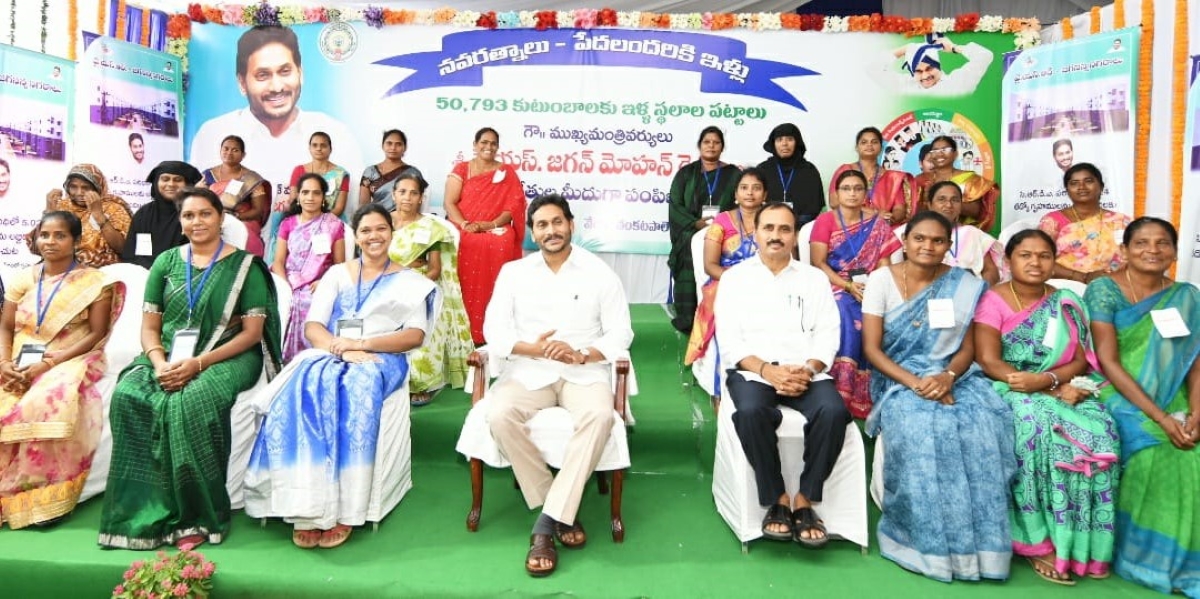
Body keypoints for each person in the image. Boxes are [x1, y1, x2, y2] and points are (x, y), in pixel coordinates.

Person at [245, 203, 437, 550]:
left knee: (355, 386)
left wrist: (362, 344)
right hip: (332, 351)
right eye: (366, 230)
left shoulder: (411, 282)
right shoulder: (337, 275)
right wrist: (341, 348)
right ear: (356, 235)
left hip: (382, 356)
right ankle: (306, 503)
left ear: (391, 232)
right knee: (301, 383)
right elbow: (313, 326)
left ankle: (346, 506)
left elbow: (414, 336)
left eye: (381, 229)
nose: (374, 236)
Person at [99, 188, 281, 550]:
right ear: (180, 222)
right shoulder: (166, 263)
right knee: (127, 396)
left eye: (205, 214)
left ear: (220, 219)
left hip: (228, 356)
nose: (196, 222)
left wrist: (198, 363)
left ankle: (197, 517)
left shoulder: (245, 266)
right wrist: (159, 362)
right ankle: (140, 513)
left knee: (190, 402)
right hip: (165, 354)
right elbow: (150, 327)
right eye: (188, 216)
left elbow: (251, 334)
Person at [484, 194, 633, 577]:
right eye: (542, 225)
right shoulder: (514, 273)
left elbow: (622, 332)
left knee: (600, 417)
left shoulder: (600, 273)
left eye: (557, 222)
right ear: (533, 232)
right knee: (499, 414)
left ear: (571, 224)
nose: (550, 231)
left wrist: (582, 353)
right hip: (529, 369)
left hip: (582, 372)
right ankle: (559, 508)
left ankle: (545, 524)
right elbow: (493, 331)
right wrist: (530, 347)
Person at [862, 211, 1015, 583]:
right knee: (921, 428)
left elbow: (968, 349)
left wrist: (946, 377)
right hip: (896, 377)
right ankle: (921, 540)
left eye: (937, 241)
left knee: (980, 425)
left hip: (955, 375)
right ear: (905, 242)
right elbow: (873, 350)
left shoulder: (964, 283)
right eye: (919, 239)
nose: (927, 247)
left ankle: (978, 549)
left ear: (949, 246)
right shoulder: (881, 280)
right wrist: (916, 383)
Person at [975, 229, 1119, 585]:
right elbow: (989, 359)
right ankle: (1037, 542)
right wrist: (1030, 383)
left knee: (1103, 434)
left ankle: (1083, 545)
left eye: (1043, 255)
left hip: (1059, 385)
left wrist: (1050, 382)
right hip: (1009, 386)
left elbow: (1082, 358)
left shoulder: (1066, 299)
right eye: (1025, 255)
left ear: (1054, 261)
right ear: (1008, 261)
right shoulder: (993, 300)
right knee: (1036, 429)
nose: (1035, 263)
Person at [715, 201, 849, 547]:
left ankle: (805, 498)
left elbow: (828, 334)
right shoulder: (734, 279)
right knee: (750, 412)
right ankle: (777, 498)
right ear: (755, 233)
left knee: (834, 412)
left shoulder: (814, 279)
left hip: (805, 372)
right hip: (754, 371)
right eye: (769, 228)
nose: (776, 236)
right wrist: (767, 371)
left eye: (785, 229)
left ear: (795, 236)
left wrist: (807, 369)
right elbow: (729, 340)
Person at [1085, 217, 1200, 597]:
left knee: (1194, 449)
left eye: (1162, 243)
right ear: (1124, 250)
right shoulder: (1104, 290)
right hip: (1120, 392)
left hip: (1177, 395)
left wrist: (1196, 411)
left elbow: (1195, 363)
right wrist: (1161, 417)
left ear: (1173, 250)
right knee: (1159, 448)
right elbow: (1108, 360)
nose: (1153, 250)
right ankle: (1145, 557)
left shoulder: (1187, 295)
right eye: (1142, 243)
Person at [0, 211, 124, 528]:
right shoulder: (22, 279)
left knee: (45, 401)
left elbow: (96, 334)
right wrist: (4, 363)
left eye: (60, 235)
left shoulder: (96, 282)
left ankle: (41, 500)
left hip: (73, 354)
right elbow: (6, 327)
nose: (50, 242)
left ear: (76, 241)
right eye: (45, 235)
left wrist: (48, 363)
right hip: (19, 356)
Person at [189, 25, 363, 207]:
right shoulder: (212, 132)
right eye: (263, 75)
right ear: (242, 82)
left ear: (300, 73)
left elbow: (351, 208)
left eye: (285, 71)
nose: (277, 87)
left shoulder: (337, 132)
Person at [810, 170, 902, 418]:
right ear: (837, 194)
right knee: (845, 310)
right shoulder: (825, 221)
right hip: (834, 283)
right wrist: (848, 285)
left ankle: (873, 390)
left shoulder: (877, 223)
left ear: (866, 193)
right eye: (846, 189)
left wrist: (875, 288)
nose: (852, 193)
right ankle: (842, 387)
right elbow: (818, 263)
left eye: (857, 188)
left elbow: (885, 264)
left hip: (871, 284)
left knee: (883, 311)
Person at [388, 173, 473, 406]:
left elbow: (435, 269)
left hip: (419, 286)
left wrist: (413, 290)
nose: (407, 197)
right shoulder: (381, 222)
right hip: (383, 286)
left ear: (420, 198)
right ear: (393, 194)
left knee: (420, 325)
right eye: (402, 192)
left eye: (413, 193)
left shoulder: (432, 228)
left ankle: (420, 383)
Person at [444, 127, 527, 344]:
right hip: (465, 225)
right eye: (484, 142)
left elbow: (514, 206)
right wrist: (465, 224)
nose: (488, 147)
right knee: (462, 240)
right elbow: (449, 203)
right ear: (475, 144)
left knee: (505, 240)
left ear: (497, 147)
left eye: (493, 143)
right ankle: (461, 329)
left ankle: (496, 327)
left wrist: (490, 224)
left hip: (493, 226)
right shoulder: (462, 168)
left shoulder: (507, 171)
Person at [683, 169, 766, 370]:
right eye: (744, 188)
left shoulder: (772, 220)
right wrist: (738, 280)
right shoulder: (721, 221)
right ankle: (722, 376)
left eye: (756, 188)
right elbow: (710, 265)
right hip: (727, 281)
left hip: (766, 279)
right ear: (736, 195)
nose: (750, 193)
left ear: (765, 195)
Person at [667, 126, 741, 334]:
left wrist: (723, 224)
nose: (711, 146)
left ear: (722, 147)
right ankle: (689, 319)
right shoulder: (685, 174)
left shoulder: (733, 174)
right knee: (690, 251)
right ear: (700, 146)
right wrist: (694, 224)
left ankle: (719, 317)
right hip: (691, 232)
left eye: (716, 142)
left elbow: (741, 203)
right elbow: (675, 205)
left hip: (726, 234)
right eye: (707, 142)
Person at [271, 173, 346, 362]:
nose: (310, 197)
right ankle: (282, 360)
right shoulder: (287, 224)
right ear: (298, 196)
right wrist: (285, 285)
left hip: (319, 283)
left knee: (307, 301)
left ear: (323, 198)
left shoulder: (333, 225)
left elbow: (340, 265)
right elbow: (278, 261)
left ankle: (310, 359)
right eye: (305, 192)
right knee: (284, 300)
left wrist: (324, 281)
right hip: (288, 280)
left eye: (316, 193)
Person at [1039, 163, 1132, 285]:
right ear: (1067, 190)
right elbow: (1040, 259)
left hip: (1114, 286)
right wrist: (1083, 277)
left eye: (1088, 181)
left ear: (1101, 186)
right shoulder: (1051, 222)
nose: (1081, 187)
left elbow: (1136, 258)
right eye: (1074, 183)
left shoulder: (1120, 221)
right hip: (1066, 286)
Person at [264, 131, 350, 259]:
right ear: (309, 148)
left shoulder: (341, 173)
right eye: (314, 145)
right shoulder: (299, 170)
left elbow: (339, 207)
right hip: (302, 211)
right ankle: (272, 258)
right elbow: (294, 198)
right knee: (278, 215)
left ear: (330, 149)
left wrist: (319, 221)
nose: (319, 148)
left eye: (323, 145)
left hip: (329, 214)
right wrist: (307, 216)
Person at [32, 164, 132, 268]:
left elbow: (124, 249)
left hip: (103, 273)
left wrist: (99, 216)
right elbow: (36, 248)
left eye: (86, 188)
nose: (79, 193)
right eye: (73, 187)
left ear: (97, 188)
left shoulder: (113, 208)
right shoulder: (62, 206)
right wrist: (49, 212)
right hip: (61, 271)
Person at [121, 161, 203, 270]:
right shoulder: (144, 214)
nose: (171, 184)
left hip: (182, 276)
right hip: (144, 275)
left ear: (188, 184)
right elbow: (131, 254)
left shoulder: (194, 214)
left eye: (178, 180)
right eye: (165, 179)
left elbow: (199, 256)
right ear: (156, 182)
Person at [199, 135, 270, 257]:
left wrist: (234, 217)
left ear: (243, 155)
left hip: (242, 220)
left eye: (235, 150)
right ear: (220, 151)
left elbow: (258, 211)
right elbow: (198, 202)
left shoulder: (252, 179)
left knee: (244, 236)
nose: (229, 153)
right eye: (225, 149)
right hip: (212, 220)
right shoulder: (207, 175)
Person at [913, 135, 1000, 231]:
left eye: (945, 150)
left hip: (962, 235)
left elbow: (976, 212)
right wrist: (925, 199)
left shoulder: (970, 179)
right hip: (930, 232)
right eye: (935, 151)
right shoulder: (921, 180)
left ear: (955, 154)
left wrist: (943, 200)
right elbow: (915, 214)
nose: (940, 154)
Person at [828, 127, 912, 224]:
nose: (869, 145)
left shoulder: (893, 178)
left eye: (874, 142)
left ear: (881, 147)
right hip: (849, 225)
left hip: (882, 227)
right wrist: (874, 214)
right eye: (864, 142)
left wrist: (890, 219)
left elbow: (899, 208)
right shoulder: (845, 170)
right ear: (857, 147)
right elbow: (834, 202)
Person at [925, 181, 1003, 285]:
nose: (948, 205)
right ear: (930, 205)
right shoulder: (916, 234)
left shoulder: (972, 233)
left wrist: (978, 293)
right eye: (941, 199)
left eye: (955, 200)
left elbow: (990, 271)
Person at [756, 123, 824, 231]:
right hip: (767, 228)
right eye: (779, 139)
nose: (784, 144)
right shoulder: (763, 169)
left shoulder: (809, 170)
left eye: (790, 139)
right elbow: (754, 203)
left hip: (801, 230)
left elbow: (814, 208)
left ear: (797, 143)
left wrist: (792, 227)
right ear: (773, 144)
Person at [880, 37, 995, 96]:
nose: (925, 75)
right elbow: (871, 67)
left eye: (929, 68)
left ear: (938, 66)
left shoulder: (957, 83)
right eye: (918, 71)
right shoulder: (904, 86)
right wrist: (903, 50)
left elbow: (985, 56)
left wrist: (954, 47)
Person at [359, 129, 422, 213]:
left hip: (405, 221)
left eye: (398, 144)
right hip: (377, 220)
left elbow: (416, 204)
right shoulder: (370, 172)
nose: (393, 148)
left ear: (405, 147)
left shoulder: (413, 173)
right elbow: (364, 205)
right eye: (389, 143)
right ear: (382, 146)